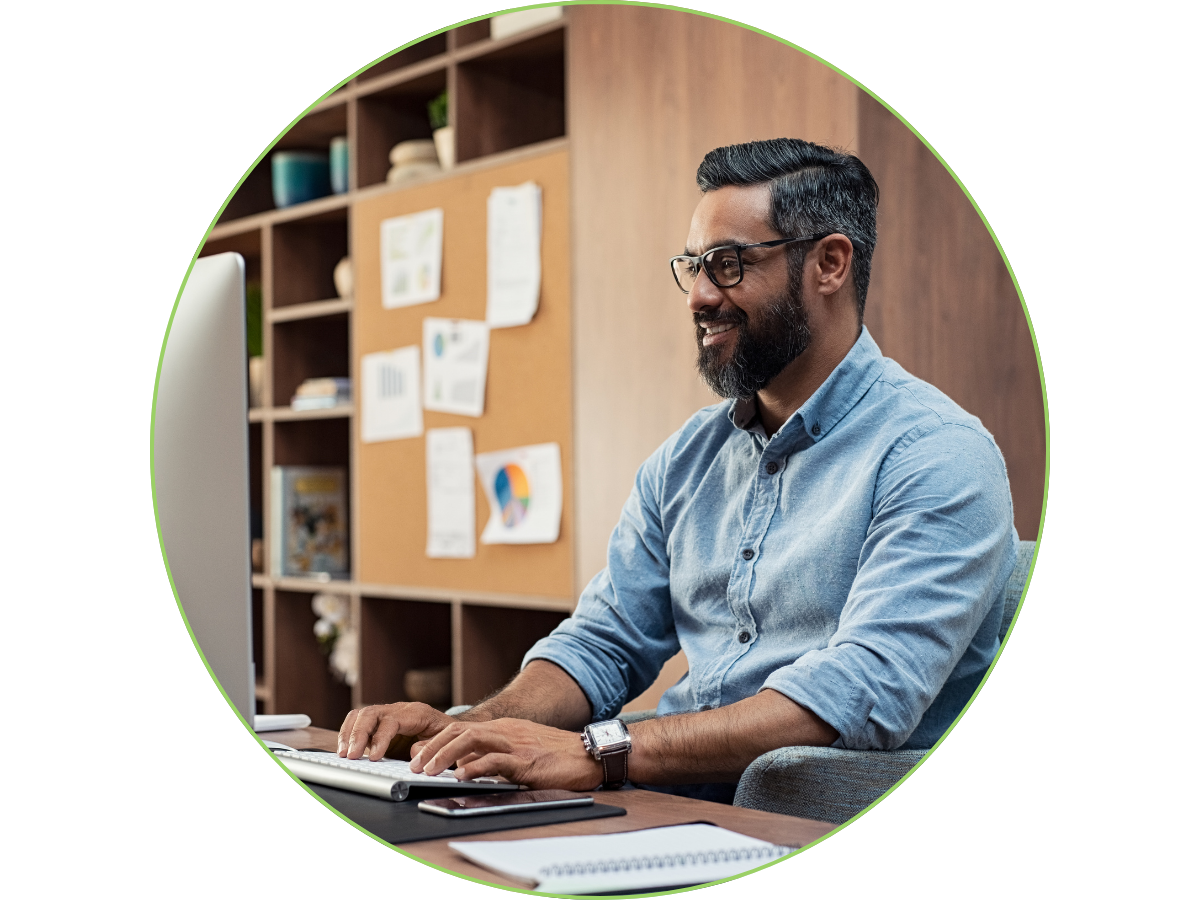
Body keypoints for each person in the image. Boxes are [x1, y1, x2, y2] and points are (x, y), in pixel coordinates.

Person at [338, 139, 1017, 802]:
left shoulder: (937, 454)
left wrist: (599, 753)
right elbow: (605, 641)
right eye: (692, 266)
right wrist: (471, 731)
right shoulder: (687, 458)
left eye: (726, 264)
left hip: (797, 821)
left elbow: (861, 692)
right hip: (661, 800)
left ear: (830, 264)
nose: (697, 296)